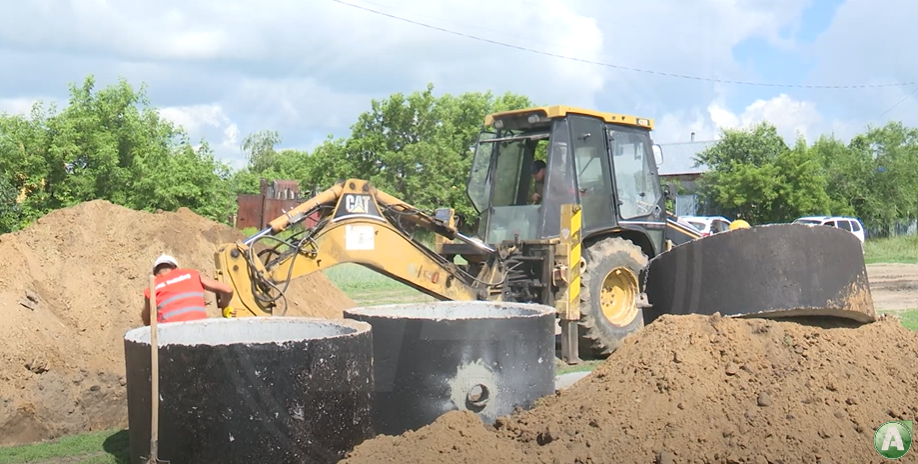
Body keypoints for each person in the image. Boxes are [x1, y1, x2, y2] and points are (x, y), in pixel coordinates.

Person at [141, 254, 236, 326]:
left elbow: (147, 321)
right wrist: (225, 306)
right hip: (199, 329)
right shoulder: (192, 275)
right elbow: (227, 290)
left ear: (155, 274)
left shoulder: (152, 288)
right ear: (176, 268)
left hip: (170, 337)